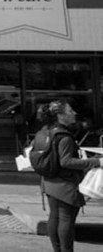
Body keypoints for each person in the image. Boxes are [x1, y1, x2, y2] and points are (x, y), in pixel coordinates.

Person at [34, 100, 103, 252]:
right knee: (66, 219)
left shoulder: (44, 132)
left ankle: (57, 250)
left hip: (48, 181)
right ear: (60, 115)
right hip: (64, 184)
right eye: (70, 111)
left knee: (54, 216)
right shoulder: (64, 137)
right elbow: (66, 161)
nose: (74, 113)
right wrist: (96, 161)